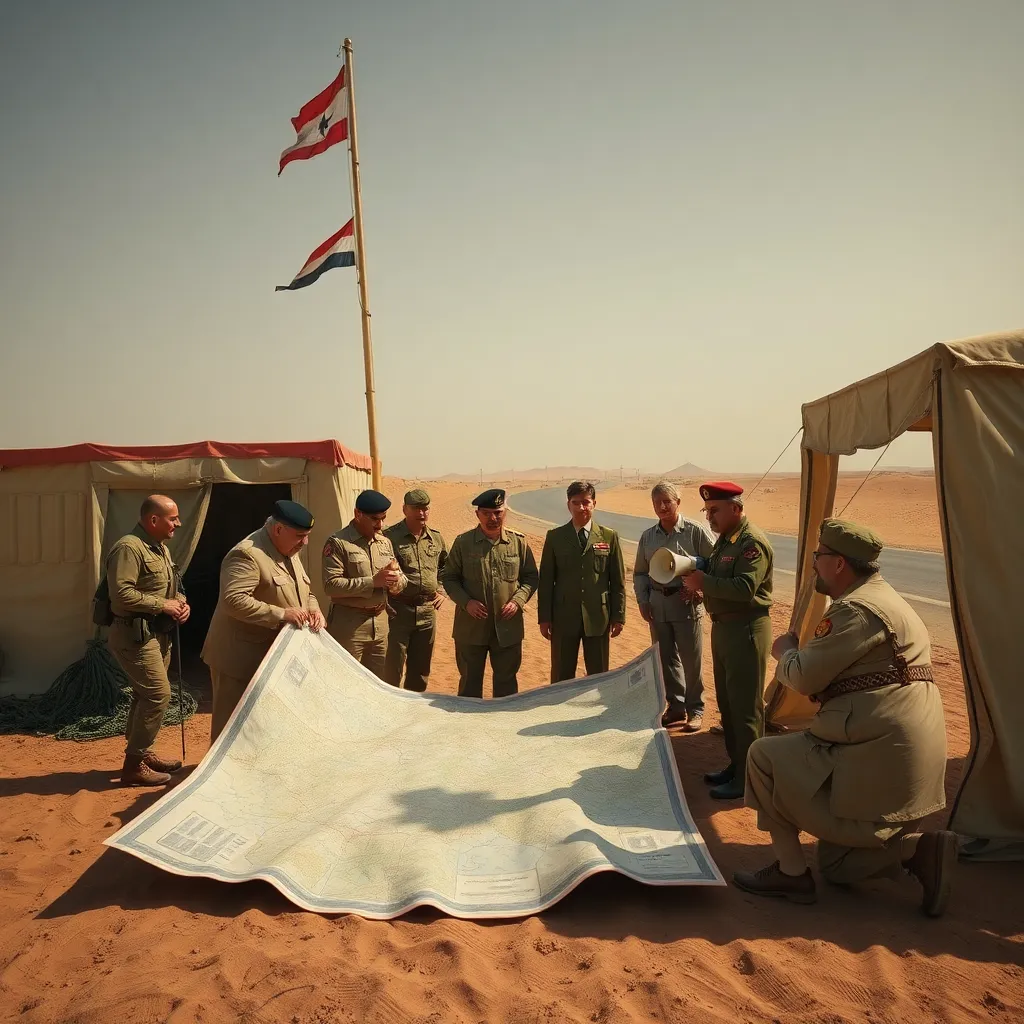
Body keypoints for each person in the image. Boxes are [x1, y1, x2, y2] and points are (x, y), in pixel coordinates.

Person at [734, 518, 954, 915]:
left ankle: (790, 872)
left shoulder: (855, 610)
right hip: (908, 772)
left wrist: (784, 651)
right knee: (836, 867)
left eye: (819, 557)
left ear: (838, 564)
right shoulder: (888, 599)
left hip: (880, 763)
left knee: (762, 757)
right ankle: (919, 850)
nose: (815, 564)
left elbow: (802, 676)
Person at [202, 500, 325, 743]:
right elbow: (233, 601)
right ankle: (225, 778)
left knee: (261, 727)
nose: (305, 542)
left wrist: (314, 609)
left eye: (307, 535)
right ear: (278, 530)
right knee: (232, 729)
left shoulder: (289, 550)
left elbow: (304, 590)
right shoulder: (247, 554)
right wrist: (281, 614)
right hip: (239, 658)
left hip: (271, 657)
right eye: (300, 536)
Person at [682, 481, 773, 800]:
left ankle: (751, 778)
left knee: (746, 709)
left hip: (746, 630)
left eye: (715, 510)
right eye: (707, 511)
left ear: (736, 508)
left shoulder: (751, 544)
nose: (709, 517)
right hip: (725, 629)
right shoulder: (726, 541)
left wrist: (703, 582)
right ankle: (737, 765)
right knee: (729, 705)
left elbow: (745, 588)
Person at [106, 495, 191, 786]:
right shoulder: (129, 548)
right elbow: (121, 594)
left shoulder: (160, 548)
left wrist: (180, 602)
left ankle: (142, 752)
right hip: (134, 635)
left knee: (146, 695)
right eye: (173, 518)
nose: (178, 524)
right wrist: (161, 605)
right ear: (153, 520)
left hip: (157, 634)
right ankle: (133, 765)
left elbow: (171, 586)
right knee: (158, 694)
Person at [440, 488, 539, 698]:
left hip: (507, 629)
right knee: (469, 686)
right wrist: (467, 603)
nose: (493, 518)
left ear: (505, 512)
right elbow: (449, 578)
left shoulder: (518, 542)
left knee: (506, 687)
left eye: (498, 512)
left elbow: (531, 577)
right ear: (477, 514)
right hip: (470, 629)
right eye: (487, 513)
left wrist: (518, 601)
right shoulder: (463, 543)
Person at [633, 481, 715, 730]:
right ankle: (676, 706)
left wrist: (700, 587)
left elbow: (715, 563)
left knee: (691, 659)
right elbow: (639, 573)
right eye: (657, 502)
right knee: (665, 658)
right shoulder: (648, 536)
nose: (662, 507)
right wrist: (643, 600)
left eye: (667, 501)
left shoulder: (695, 531)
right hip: (657, 604)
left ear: (678, 502)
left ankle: (696, 709)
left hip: (685, 602)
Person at [538, 481, 626, 682]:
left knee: (598, 674)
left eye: (585, 502)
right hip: (563, 617)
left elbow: (617, 581)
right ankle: (559, 711)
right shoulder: (555, 537)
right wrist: (544, 618)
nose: (581, 508)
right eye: (575, 503)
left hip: (598, 617)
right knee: (561, 674)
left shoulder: (608, 536)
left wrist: (618, 616)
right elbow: (546, 581)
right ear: (568, 505)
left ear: (594, 503)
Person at [322, 489, 406, 679]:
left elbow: (399, 578)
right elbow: (331, 585)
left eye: (383, 518)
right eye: (375, 519)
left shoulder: (384, 543)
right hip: (350, 627)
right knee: (346, 681)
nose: (381, 524)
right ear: (358, 514)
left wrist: (395, 583)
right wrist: (373, 582)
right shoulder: (338, 543)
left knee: (377, 684)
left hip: (381, 625)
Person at [383, 488, 449, 691]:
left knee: (420, 671)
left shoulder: (436, 539)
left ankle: (414, 713)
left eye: (425, 508)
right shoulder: (389, 537)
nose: (421, 513)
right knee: (392, 669)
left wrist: (441, 590)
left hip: (427, 613)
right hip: (398, 611)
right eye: (416, 509)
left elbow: (446, 568)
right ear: (405, 510)